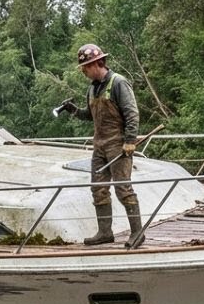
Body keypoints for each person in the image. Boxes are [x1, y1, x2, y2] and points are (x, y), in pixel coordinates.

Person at [56, 43, 144, 247]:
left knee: (124, 188)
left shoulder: (118, 82)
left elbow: (132, 113)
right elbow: (90, 115)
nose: (84, 72)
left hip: (118, 144)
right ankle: (105, 232)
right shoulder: (92, 89)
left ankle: (137, 233)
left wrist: (130, 140)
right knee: (98, 189)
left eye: (85, 67)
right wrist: (73, 110)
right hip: (100, 145)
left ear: (96, 63)